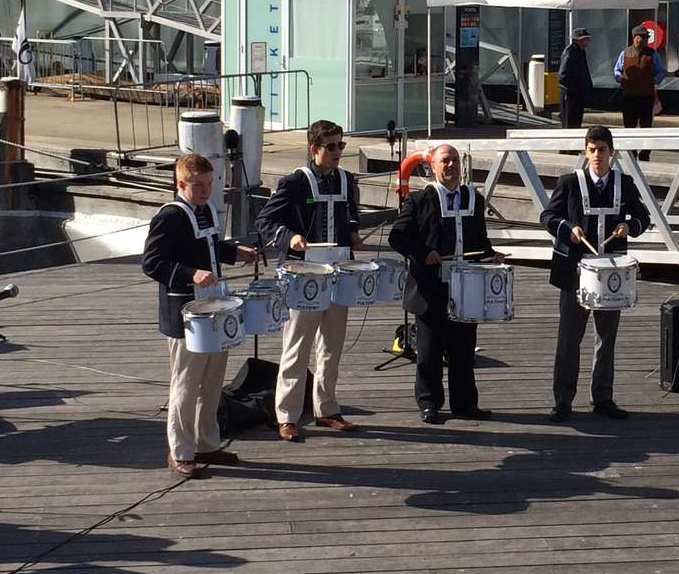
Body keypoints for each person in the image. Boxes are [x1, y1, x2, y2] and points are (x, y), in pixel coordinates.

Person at [143, 153, 256, 477]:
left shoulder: (204, 210)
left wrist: (235, 252)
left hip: (212, 307)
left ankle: (206, 442)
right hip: (184, 314)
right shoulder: (170, 216)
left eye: (209, 184)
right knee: (186, 384)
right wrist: (190, 274)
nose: (206, 191)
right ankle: (180, 450)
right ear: (180, 184)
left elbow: (209, 247)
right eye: (198, 186)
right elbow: (151, 263)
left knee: (212, 381)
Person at [257, 119, 363, 442]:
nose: (337, 153)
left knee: (332, 345)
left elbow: (351, 214)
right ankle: (287, 415)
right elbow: (265, 220)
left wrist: (355, 232)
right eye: (331, 147)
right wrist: (289, 238)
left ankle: (326, 407)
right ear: (314, 148)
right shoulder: (294, 183)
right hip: (303, 276)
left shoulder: (346, 180)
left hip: (339, 272)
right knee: (297, 345)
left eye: (340, 146)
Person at [540, 125, 652, 422]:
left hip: (611, 274)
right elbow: (548, 216)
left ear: (611, 153)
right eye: (591, 150)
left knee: (607, 338)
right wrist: (569, 229)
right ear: (585, 152)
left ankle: (602, 397)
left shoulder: (624, 183)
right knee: (569, 338)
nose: (597, 156)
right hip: (575, 272)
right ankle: (563, 400)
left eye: (602, 150)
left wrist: (630, 227)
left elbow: (643, 217)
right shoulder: (569, 182)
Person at [388, 144, 503, 424]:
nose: (450, 166)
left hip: (467, 286)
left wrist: (490, 255)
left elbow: (479, 240)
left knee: (463, 349)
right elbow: (397, 236)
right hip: (431, 286)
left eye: (454, 161)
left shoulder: (473, 198)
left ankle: (465, 404)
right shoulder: (419, 200)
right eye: (444, 161)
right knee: (429, 350)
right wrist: (423, 252)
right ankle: (429, 403)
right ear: (433, 167)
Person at [614, 26, 665, 159]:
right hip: (629, 96)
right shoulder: (625, 53)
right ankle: (631, 152)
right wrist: (621, 78)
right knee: (629, 126)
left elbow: (661, 71)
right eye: (642, 37)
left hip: (645, 96)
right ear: (634, 38)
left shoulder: (652, 54)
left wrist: (653, 81)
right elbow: (617, 70)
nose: (644, 40)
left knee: (646, 127)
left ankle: (645, 153)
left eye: (646, 38)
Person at [558, 27, 594, 129]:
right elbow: (562, 76)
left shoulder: (581, 52)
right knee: (569, 124)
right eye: (586, 38)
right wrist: (575, 90)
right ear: (579, 40)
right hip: (570, 96)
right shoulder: (569, 53)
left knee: (576, 124)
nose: (588, 41)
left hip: (578, 96)